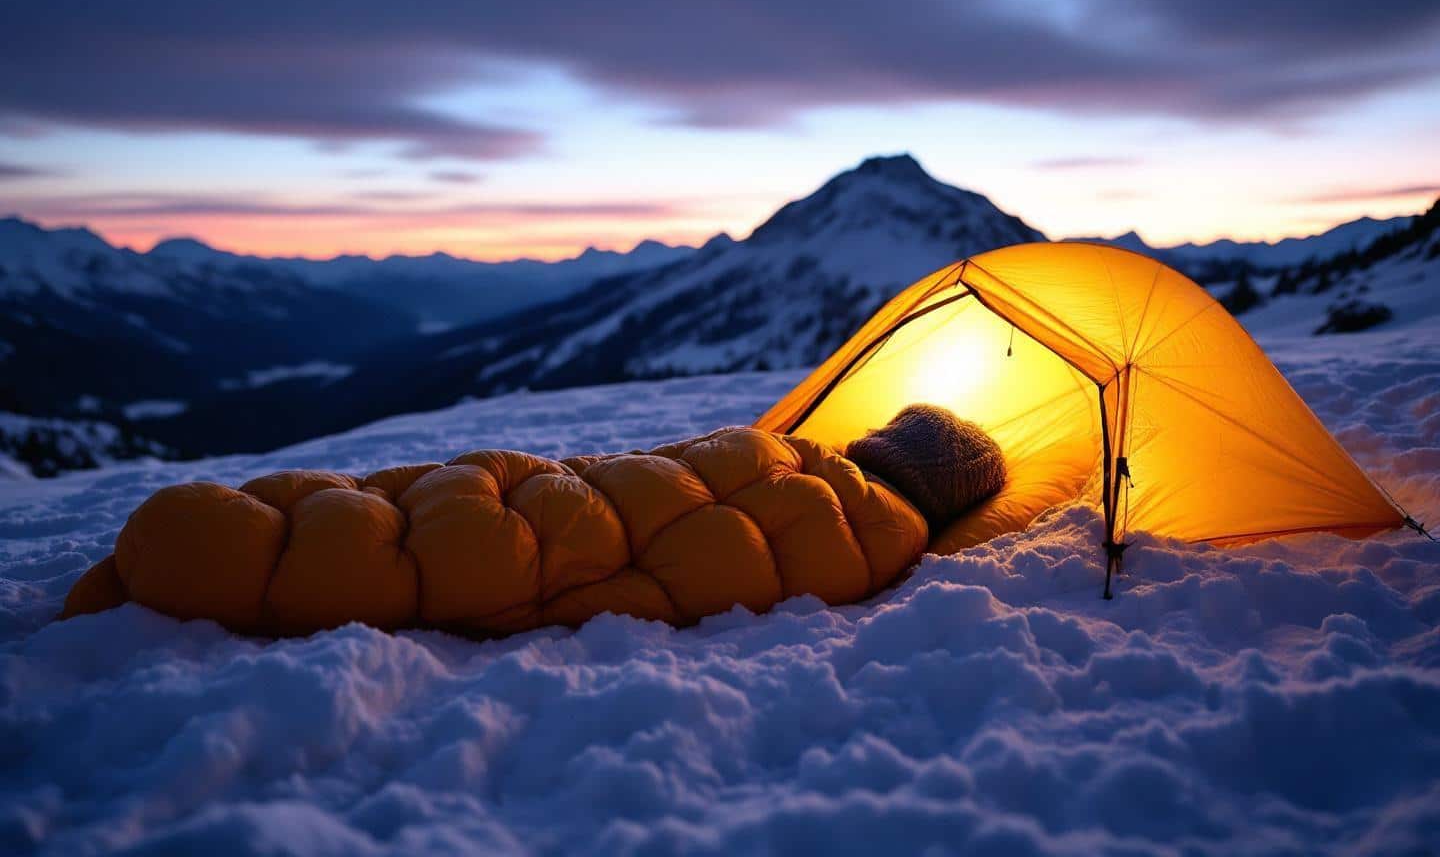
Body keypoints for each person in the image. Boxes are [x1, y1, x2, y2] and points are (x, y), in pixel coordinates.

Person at [60, 405, 1005, 638]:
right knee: (432, 531)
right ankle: (205, 549)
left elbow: (665, 506)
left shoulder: (789, 456)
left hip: (559, 514)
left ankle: (202, 546)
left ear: (888, 440)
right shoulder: (884, 538)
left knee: (400, 523)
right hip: (569, 516)